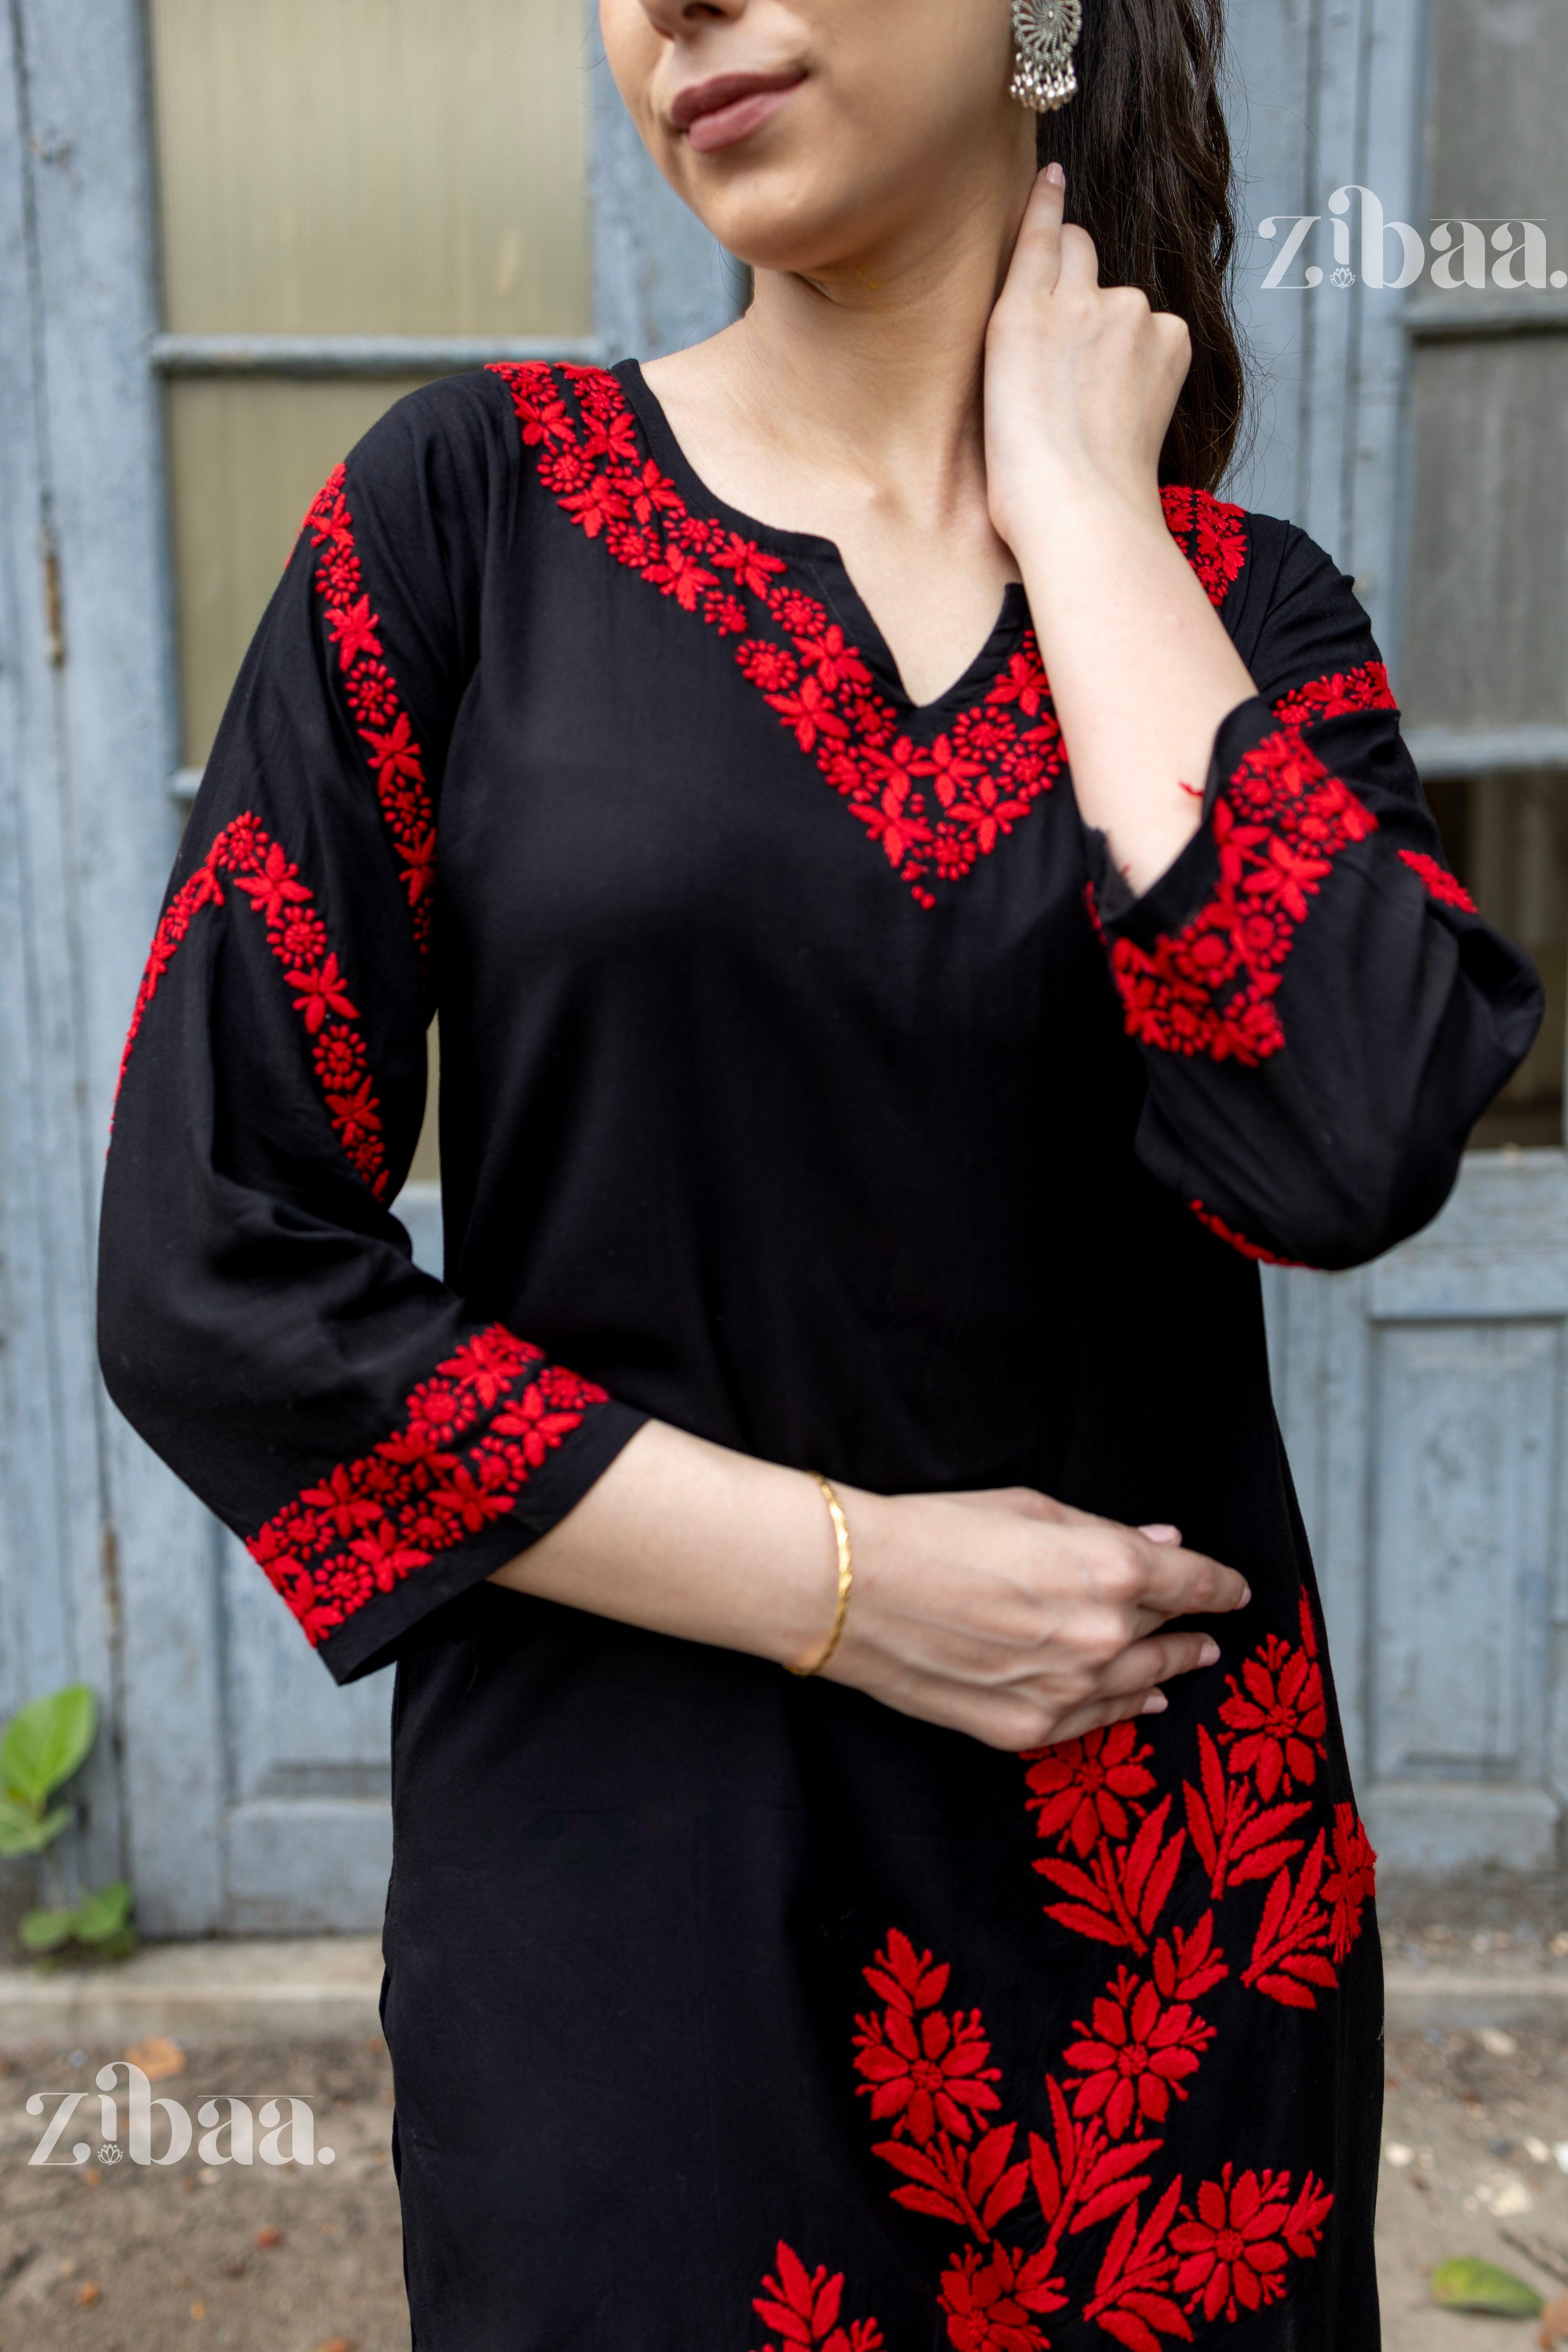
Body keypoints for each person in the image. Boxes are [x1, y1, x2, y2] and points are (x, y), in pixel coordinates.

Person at [100, 0, 1542, 2344]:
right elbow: (209, 1263)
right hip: (631, 1922)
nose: (667, 2)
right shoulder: (470, 518)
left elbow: (1348, 1131)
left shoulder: (1236, 615)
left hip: (1155, 1953)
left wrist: (1079, 507)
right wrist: (850, 1582)